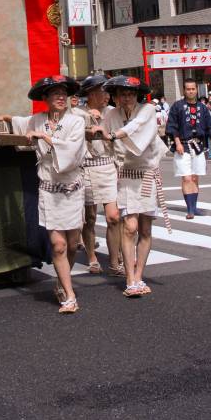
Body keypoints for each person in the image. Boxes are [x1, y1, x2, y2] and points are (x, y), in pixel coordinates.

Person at [0, 75, 86, 314]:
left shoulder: (76, 122)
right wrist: (6, 118)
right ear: (45, 98)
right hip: (48, 189)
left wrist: (45, 137)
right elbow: (19, 122)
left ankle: (62, 279)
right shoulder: (37, 120)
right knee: (57, 245)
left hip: (72, 187)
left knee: (70, 244)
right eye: (54, 93)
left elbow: (72, 149)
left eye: (63, 93)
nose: (60, 97)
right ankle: (69, 295)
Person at [103, 76, 171, 298]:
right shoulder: (111, 114)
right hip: (126, 175)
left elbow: (136, 127)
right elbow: (102, 138)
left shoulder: (148, 110)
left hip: (148, 174)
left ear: (137, 95)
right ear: (116, 96)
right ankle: (130, 279)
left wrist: (114, 135)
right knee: (129, 227)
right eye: (122, 93)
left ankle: (139, 274)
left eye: (131, 93)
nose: (127, 97)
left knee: (145, 229)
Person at [72, 75, 121, 277]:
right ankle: (92, 257)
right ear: (91, 93)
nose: (107, 96)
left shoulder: (112, 113)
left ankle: (115, 260)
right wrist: (87, 122)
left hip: (109, 165)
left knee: (113, 217)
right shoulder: (76, 113)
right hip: (87, 167)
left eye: (108, 92)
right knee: (90, 217)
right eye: (103, 91)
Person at [166, 79, 211, 218]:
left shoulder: (202, 107)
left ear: (196, 90)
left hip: (198, 146)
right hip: (183, 145)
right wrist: (177, 143)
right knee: (186, 178)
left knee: (195, 178)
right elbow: (172, 126)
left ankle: (194, 207)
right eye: (188, 89)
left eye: (193, 89)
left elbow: (210, 126)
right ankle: (189, 209)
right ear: (184, 90)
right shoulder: (177, 106)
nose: (191, 91)